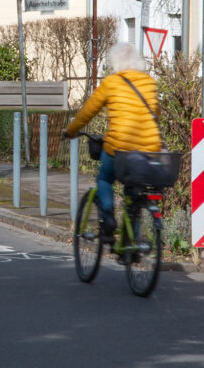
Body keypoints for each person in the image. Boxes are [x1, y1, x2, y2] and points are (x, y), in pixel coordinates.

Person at [63, 43, 161, 238]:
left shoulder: (111, 83)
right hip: (149, 150)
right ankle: (130, 241)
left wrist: (71, 130)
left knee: (104, 178)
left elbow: (88, 112)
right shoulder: (149, 82)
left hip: (119, 147)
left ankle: (108, 216)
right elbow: (155, 114)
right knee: (133, 188)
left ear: (116, 63)